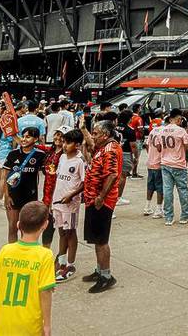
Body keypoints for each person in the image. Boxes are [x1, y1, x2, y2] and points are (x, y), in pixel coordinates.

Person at [0, 200, 55, 336]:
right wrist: (47, 325)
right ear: (45, 225)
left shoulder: (6, 250)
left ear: (18, 225)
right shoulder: (45, 255)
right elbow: (45, 292)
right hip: (29, 325)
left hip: (3, 324)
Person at [81, 120, 121, 293]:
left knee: (102, 240)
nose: (93, 136)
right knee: (97, 239)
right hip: (93, 199)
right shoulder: (102, 147)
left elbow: (112, 175)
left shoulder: (110, 149)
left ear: (105, 135)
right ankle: (99, 271)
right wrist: (83, 130)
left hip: (102, 202)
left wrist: (101, 197)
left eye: (96, 133)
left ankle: (106, 276)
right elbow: (90, 143)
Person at [50, 129, 85, 282]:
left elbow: (84, 183)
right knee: (61, 232)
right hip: (57, 202)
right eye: (64, 142)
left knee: (70, 232)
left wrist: (71, 195)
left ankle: (70, 265)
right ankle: (61, 261)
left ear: (77, 145)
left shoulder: (80, 161)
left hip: (70, 204)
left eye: (68, 143)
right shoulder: (63, 157)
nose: (64, 145)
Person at [2, 126, 46, 244]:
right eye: (23, 136)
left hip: (30, 197)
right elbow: (4, 176)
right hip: (13, 196)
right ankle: (12, 251)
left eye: (28, 137)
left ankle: (25, 250)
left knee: (26, 229)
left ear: (35, 139)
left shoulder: (40, 155)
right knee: (12, 227)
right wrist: (6, 196)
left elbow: (48, 174)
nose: (24, 139)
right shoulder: (13, 154)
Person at [159, 108, 188, 225]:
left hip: (165, 163)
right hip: (179, 164)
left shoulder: (162, 130)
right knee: (182, 190)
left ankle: (168, 217)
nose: (180, 121)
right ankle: (185, 216)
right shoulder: (181, 131)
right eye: (179, 119)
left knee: (167, 190)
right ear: (174, 119)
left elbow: (159, 147)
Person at [0, 100, 19, 207]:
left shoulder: (0, 126)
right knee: (4, 177)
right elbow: (13, 143)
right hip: (6, 153)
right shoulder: (9, 128)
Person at [142, 117, 166, 218]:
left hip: (150, 162)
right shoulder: (162, 131)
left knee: (150, 186)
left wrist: (150, 154)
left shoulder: (152, 131)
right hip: (159, 163)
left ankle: (147, 206)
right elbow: (160, 147)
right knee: (160, 187)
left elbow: (147, 145)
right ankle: (159, 209)